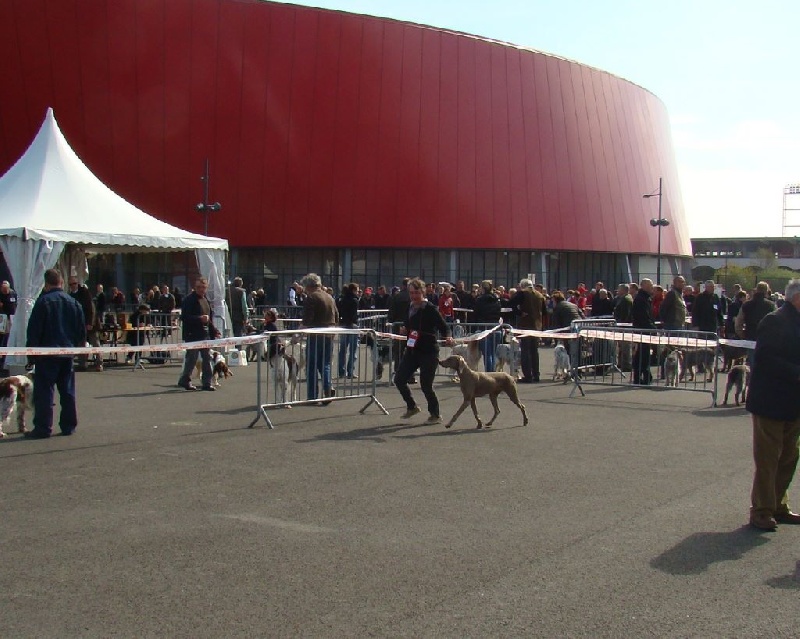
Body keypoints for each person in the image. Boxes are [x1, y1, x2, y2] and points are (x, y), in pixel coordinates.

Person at [745, 279, 800, 531]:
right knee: (768, 460)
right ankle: (761, 510)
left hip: (792, 402)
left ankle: (778, 504)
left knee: (789, 457)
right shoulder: (774, 320)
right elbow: (765, 359)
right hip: (770, 401)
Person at [25, 269, 86, 438]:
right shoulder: (74, 303)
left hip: (47, 354)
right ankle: (69, 426)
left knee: (44, 392)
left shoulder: (43, 302)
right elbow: (81, 331)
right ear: (62, 282)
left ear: (46, 284)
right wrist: (77, 348)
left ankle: (43, 428)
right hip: (67, 353)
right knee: (67, 391)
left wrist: (31, 355)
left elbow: (34, 331)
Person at [395, 278, 454, 423]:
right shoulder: (410, 307)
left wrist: (448, 337)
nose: (413, 296)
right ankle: (412, 406)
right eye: (411, 293)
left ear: (423, 292)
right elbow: (408, 324)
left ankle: (435, 414)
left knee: (426, 385)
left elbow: (444, 326)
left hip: (428, 351)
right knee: (399, 379)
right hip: (412, 350)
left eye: (416, 293)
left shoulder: (430, 309)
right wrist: (404, 329)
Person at [177, 277, 221, 391]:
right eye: (198, 287)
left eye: (203, 287)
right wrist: (199, 319)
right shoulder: (189, 300)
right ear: (194, 287)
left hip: (204, 335)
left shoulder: (205, 300)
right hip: (192, 334)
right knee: (192, 358)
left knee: (207, 358)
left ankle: (206, 382)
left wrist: (214, 330)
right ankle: (185, 380)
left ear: (206, 288)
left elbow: (208, 319)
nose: (201, 289)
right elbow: (184, 317)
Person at [300, 273, 338, 402]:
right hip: (329, 334)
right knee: (325, 365)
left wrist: (298, 331)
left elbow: (307, 319)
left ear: (308, 286)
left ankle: (312, 396)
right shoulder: (329, 297)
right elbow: (336, 316)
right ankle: (328, 389)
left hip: (315, 335)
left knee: (311, 366)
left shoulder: (311, 297)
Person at [511, 278, 546, 383]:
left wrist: (520, 313)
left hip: (525, 325)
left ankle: (528, 376)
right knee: (534, 351)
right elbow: (544, 312)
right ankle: (536, 374)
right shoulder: (540, 295)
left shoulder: (522, 294)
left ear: (522, 286)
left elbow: (511, 304)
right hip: (537, 326)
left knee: (525, 351)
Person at [67, 276, 103, 371]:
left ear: (77, 283)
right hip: (79, 324)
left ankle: (99, 363)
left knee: (95, 342)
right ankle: (82, 363)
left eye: (74, 284)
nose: (72, 286)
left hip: (90, 322)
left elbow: (91, 308)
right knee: (81, 344)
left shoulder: (84, 292)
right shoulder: (70, 295)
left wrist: (90, 322)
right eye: (70, 284)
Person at [472, 280, 502, 372]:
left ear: (483, 288)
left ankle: (489, 374)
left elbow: (476, 314)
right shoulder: (496, 299)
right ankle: (493, 373)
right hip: (495, 327)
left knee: (487, 354)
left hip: (484, 328)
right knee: (493, 353)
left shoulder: (479, 300)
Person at [631, 278, 655, 385]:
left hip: (644, 329)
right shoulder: (641, 299)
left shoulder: (645, 298)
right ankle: (641, 377)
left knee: (642, 354)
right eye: (650, 285)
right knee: (642, 355)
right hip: (643, 330)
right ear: (644, 286)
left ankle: (644, 376)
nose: (652, 287)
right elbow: (643, 316)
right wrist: (652, 328)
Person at [336, 282, 360, 378]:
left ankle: (341, 372)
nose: (358, 293)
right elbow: (354, 315)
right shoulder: (354, 301)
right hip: (352, 326)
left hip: (343, 325)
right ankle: (350, 371)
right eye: (357, 290)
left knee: (342, 349)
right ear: (354, 290)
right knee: (353, 350)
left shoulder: (342, 299)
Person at [0, 280, 18, 375]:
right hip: (2, 318)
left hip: (12, 318)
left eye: (6, 289)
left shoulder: (13, 293)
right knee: (3, 339)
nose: (5, 291)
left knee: (10, 338)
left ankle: (8, 358)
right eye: (3, 289)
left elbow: (16, 304)